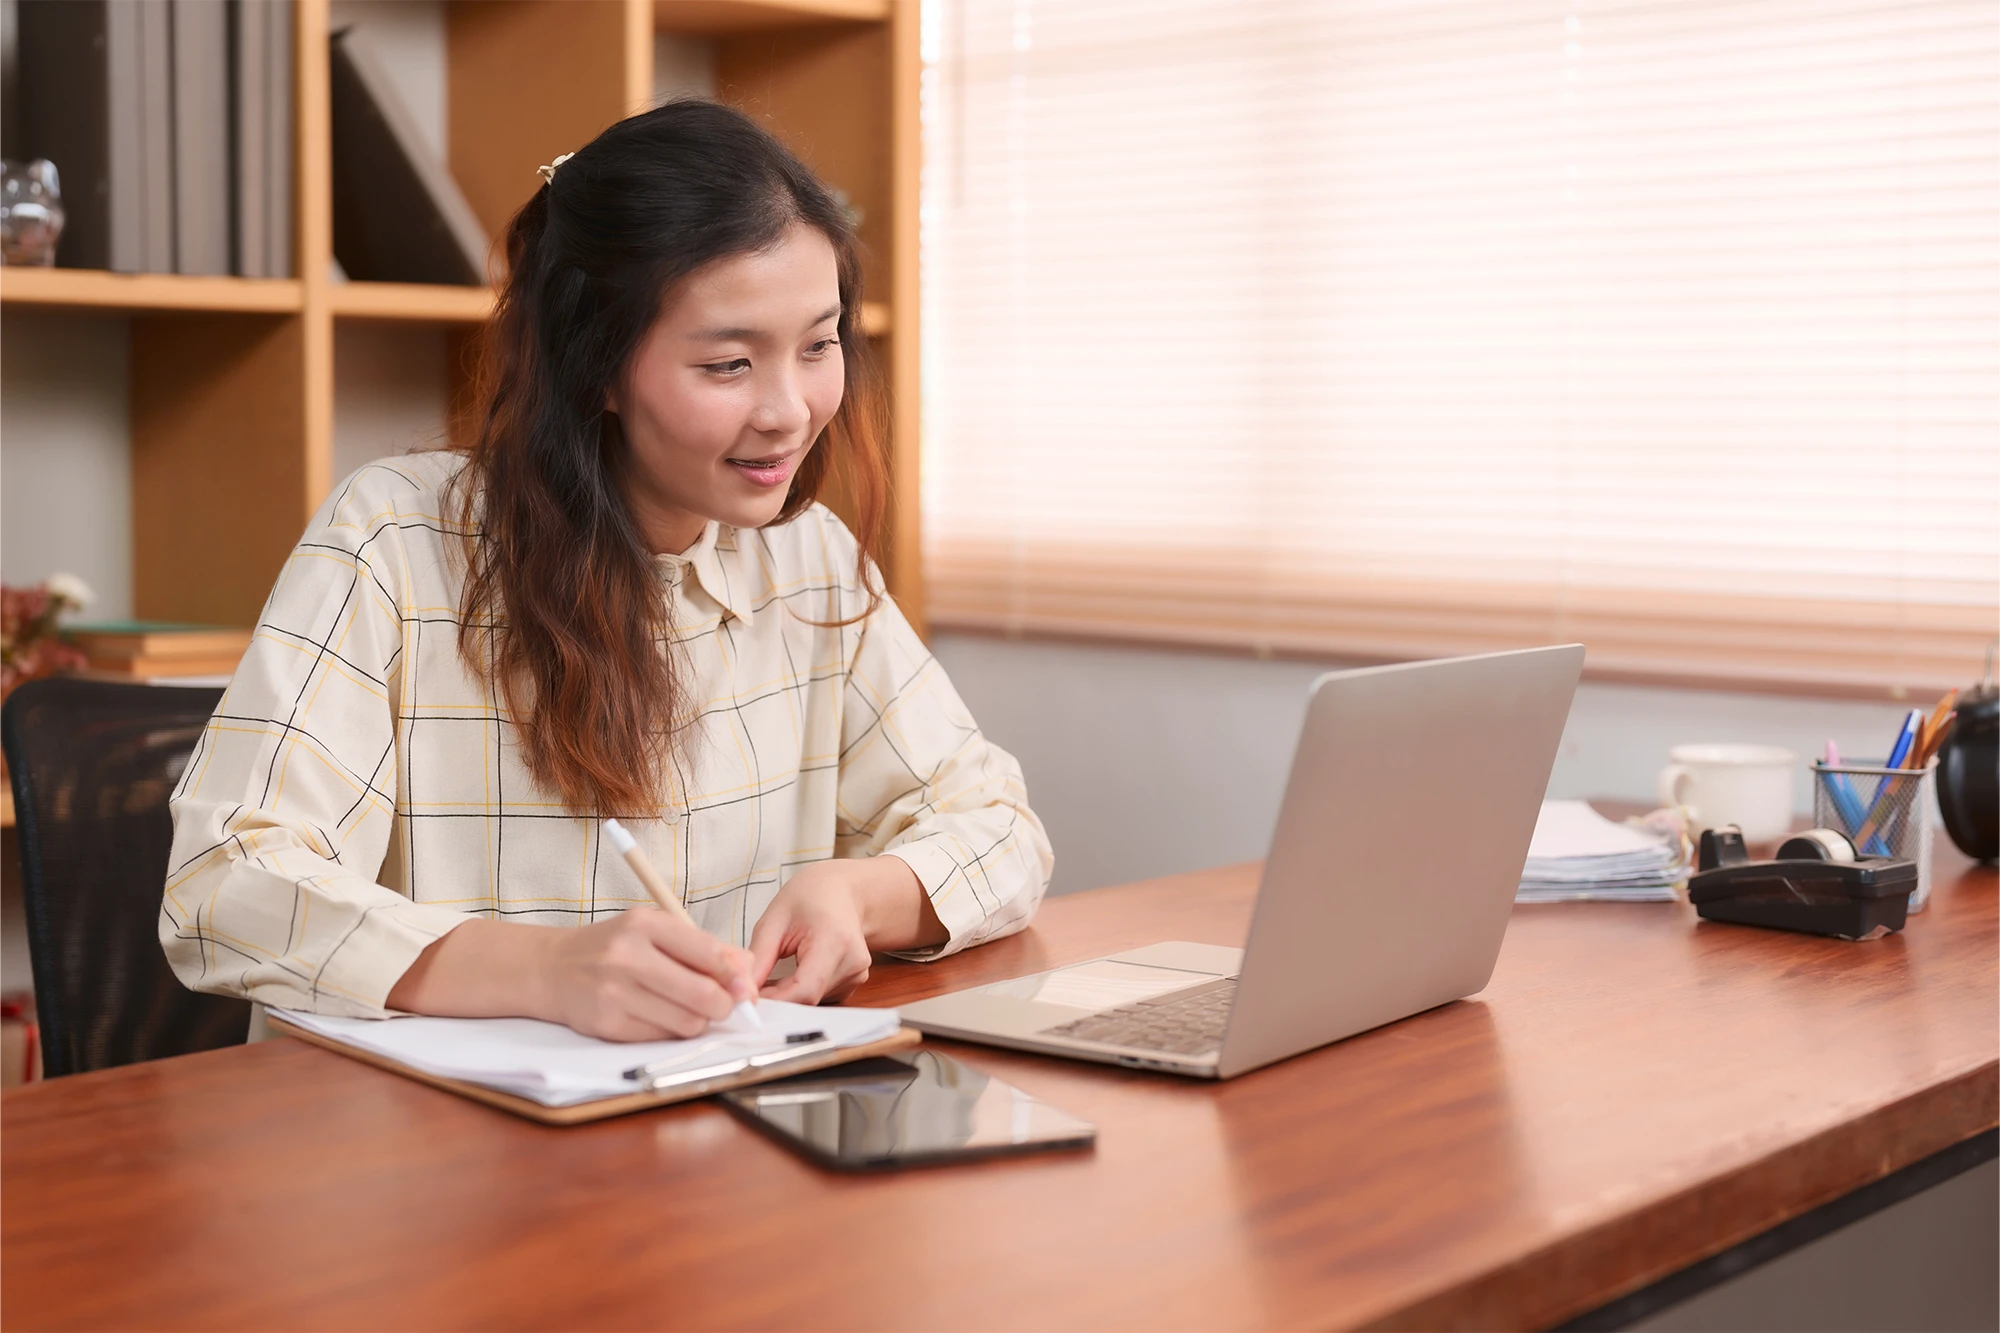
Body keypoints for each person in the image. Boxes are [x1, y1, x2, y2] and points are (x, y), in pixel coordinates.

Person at [159, 100, 1052, 1041]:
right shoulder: (394, 541)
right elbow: (222, 883)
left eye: (819, 344)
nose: (790, 410)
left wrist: (859, 894)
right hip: (428, 1154)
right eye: (729, 364)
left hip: (707, 1133)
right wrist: (540, 970)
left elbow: (999, 825)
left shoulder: (808, 558)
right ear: (598, 367)